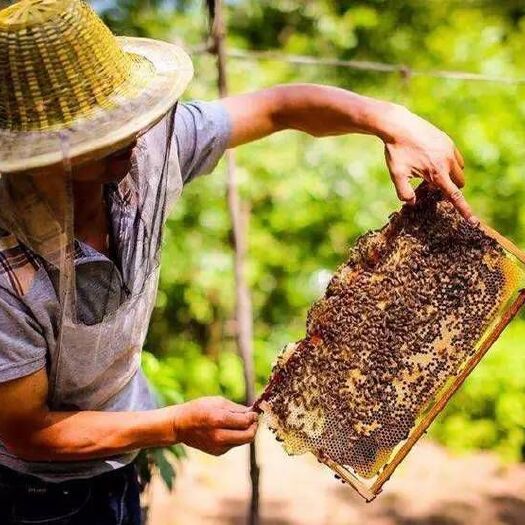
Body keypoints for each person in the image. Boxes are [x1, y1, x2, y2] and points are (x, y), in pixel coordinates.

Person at [0, 0, 475, 524]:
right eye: (99, 135)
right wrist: (174, 426)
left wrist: (392, 120)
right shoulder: (5, 266)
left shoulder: (150, 141)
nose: (132, 137)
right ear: (36, 153)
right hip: (28, 495)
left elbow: (280, 107)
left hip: (118, 460)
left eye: (125, 118)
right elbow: (28, 429)